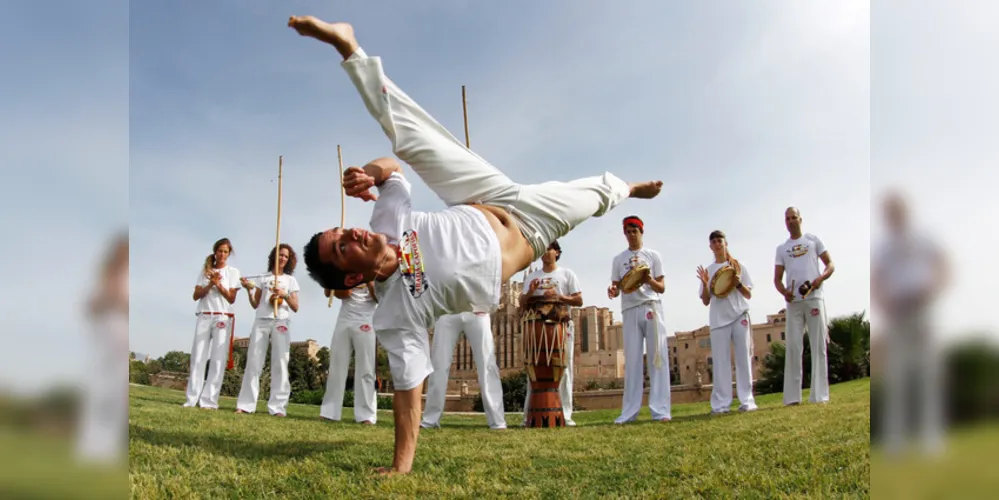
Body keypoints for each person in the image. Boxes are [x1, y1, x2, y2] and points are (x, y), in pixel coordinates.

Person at [289, 15, 662, 475]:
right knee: (592, 197)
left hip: (487, 196)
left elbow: (394, 166)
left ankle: (350, 49)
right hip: (532, 231)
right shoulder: (394, 314)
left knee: (411, 138)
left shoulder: (385, 220)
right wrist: (402, 464)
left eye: (342, 230)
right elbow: (408, 387)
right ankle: (626, 188)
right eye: (343, 247)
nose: (351, 234)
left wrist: (371, 171)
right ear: (350, 276)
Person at [871, 191, 948, 456]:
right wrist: (884, 304)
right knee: (897, 375)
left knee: (928, 372)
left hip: (923, 309)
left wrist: (934, 290)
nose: (894, 215)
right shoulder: (884, 247)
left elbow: (943, 265)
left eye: (897, 210)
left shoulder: (924, 238)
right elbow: (876, 279)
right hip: (897, 313)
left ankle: (931, 437)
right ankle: (895, 438)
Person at [607, 216, 672, 423]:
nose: (631, 235)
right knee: (633, 361)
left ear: (641, 232)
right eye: (627, 231)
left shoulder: (653, 255)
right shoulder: (618, 259)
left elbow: (661, 288)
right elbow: (617, 287)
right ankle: (629, 412)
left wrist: (648, 279)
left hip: (651, 307)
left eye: (635, 231)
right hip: (630, 309)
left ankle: (660, 410)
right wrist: (612, 290)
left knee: (657, 359)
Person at [773, 207, 835, 406]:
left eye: (794, 217)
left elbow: (830, 264)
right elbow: (777, 279)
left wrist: (820, 279)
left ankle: (819, 396)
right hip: (794, 303)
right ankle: (792, 397)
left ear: (801, 219)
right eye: (787, 218)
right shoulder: (781, 249)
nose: (791, 221)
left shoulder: (813, 240)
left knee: (818, 346)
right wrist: (785, 292)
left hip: (814, 297)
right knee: (793, 347)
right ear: (785, 222)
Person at [77, 232, 128, 464]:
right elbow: (91, 306)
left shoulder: (126, 278)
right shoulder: (107, 276)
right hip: (106, 332)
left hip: (121, 331)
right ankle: (92, 444)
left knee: (116, 391)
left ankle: (107, 444)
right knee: (100, 387)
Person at [519, 240, 582, 426]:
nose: (545, 253)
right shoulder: (532, 277)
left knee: (565, 370)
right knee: (533, 371)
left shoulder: (567, 274)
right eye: (543, 250)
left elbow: (579, 300)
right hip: (537, 328)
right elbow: (522, 303)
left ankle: (566, 415)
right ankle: (529, 415)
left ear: (557, 252)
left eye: (549, 249)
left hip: (560, 326)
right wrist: (530, 293)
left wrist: (559, 297)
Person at [235, 243, 301, 416]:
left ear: (289, 260)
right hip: (262, 320)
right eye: (280, 254)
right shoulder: (262, 278)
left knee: (280, 362)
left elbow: (295, 306)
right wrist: (249, 290)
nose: (283, 258)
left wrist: (284, 294)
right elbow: (256, 303)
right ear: (274, 256)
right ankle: (246, 405)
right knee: (254, 361)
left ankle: (278, 407)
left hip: (281, 321)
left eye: (286, 256)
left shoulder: (290, 280)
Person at [696, 230, 758, 414]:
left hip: (740, 315)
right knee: (721, 363)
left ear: (725, 243)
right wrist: (706, 283)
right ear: (710, 246)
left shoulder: (738, 265)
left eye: (719, 240)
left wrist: (737, 283)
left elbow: (748, 294)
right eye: (713, 241)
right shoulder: (708, 271)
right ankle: (721, 404)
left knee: (743, 359)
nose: (717, 244)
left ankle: (747, 401)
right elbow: (706, 300)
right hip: (718, 320)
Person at [421, 311, 506, 430]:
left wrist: (487, 304)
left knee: (487, 365)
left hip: (477, 309)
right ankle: (430, 420)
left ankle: (498, 422)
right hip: (448, 310)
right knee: (438, 364)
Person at [185, 237, 241, 409]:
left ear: (228, 254)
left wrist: (220, 284)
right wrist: (210, 283)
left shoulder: (233, 272)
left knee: (217, 360)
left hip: (222, 316)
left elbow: (231, 298)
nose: (222, 254)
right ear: (215, 252)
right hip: (204, 315)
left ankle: (209, 401)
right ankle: (192, 399)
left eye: (225, 252)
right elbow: (196, 295)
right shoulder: (205, 272)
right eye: (220, 251)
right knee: (198, 357)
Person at [320, 281, 379, 425]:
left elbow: (380, 298)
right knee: (336, 365)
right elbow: (330, 293)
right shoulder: (346, 266)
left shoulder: (375, 268)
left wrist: (370, 283)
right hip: (344, 318)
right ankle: (330, 412)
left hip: (366, 318)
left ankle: (366, 415)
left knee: (366, 367)